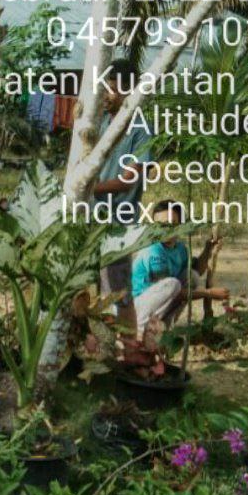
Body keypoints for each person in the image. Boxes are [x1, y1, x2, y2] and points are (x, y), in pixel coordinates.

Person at [92, 58, 154, 328]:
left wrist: (88, 189)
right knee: (94, 289)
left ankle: (128, 352)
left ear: (128, 91)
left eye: (111, 89)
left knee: (119, 292)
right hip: (92, 217)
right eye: (103, 89)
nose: (105, 95)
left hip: (118, 222)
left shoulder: (141, 129)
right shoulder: (102, 122)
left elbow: (129, 180)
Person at [131, 200, 230, 336]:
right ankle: (141, 329)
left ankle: (165, 327)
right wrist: (209, 293)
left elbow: (197, 272)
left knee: (192, 276)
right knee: (174, 284)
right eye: (160, 225)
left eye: (172, 224)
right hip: (137, 308)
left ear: (180, 225)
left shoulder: (180, 249)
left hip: (158, 305)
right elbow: (172, 290)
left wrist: (208, 249)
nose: (166, 229)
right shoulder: (153, 251)